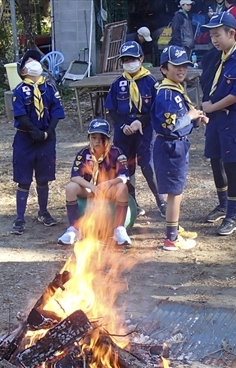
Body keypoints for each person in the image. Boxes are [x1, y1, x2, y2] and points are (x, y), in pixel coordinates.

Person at [200, 12, 236, 236]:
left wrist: (212, 107)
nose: (214, 40)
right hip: (214, 119)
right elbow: (206, 82)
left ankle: (233, 215)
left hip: (231, 119)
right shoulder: (216, 56)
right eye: (211, 35)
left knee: (230, 164)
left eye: (217, 35)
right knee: (215, 159)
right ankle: (222, 204)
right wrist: (205, 106)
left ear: (232, 33)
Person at [152, 45, 209, 251]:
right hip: (170, 147)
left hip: (177, 145)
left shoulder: (176, 90)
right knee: (175, 192)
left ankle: (173, 228)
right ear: (164, 69)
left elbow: (180, 121)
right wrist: (191, 116)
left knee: (177, 191)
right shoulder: (166, 94)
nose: (181, 69)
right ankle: (171, 238)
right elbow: (170, 124)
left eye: (184, 65)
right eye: (176, 66)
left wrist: (195, 121)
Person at [104, 41, 166, 217]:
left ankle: (160, 201)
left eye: (132, 58)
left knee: (147, 165)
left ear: (141, 58)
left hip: (143, 129)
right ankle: (133, 202)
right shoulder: (118, 83)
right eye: (125, 59)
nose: (129, 62)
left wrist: (142, 122)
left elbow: (156, 108)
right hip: (123, 131)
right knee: (126, 166)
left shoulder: (151, 82)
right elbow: (112, 109)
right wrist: (123, 125)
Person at [10, 49, 65, 235]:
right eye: (29, 61)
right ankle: (20, 218)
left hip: (46, 139)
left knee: (43, 177)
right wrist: (35, 133)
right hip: (26, 139)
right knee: (23, 179)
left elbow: (57, 112)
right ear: (23, 69)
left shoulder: (49, 88)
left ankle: (43, 211)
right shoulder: (19, 90)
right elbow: (21, 115)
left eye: (36, 60)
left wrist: (47, 133)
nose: (33, 64)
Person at [57, 119, 132, 246]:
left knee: (122, 188)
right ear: (89, 138)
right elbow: (75, 177)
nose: (97, 141)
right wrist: (92, 187)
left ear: (108, 139)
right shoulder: (83, 154)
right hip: (88, 189)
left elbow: (124, 176)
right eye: (94, 137)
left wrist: (108, 184)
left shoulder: (116, 153)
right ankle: (74, 229)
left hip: (108, 190)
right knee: (70, 188)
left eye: (101, 137)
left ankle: (119, 229)